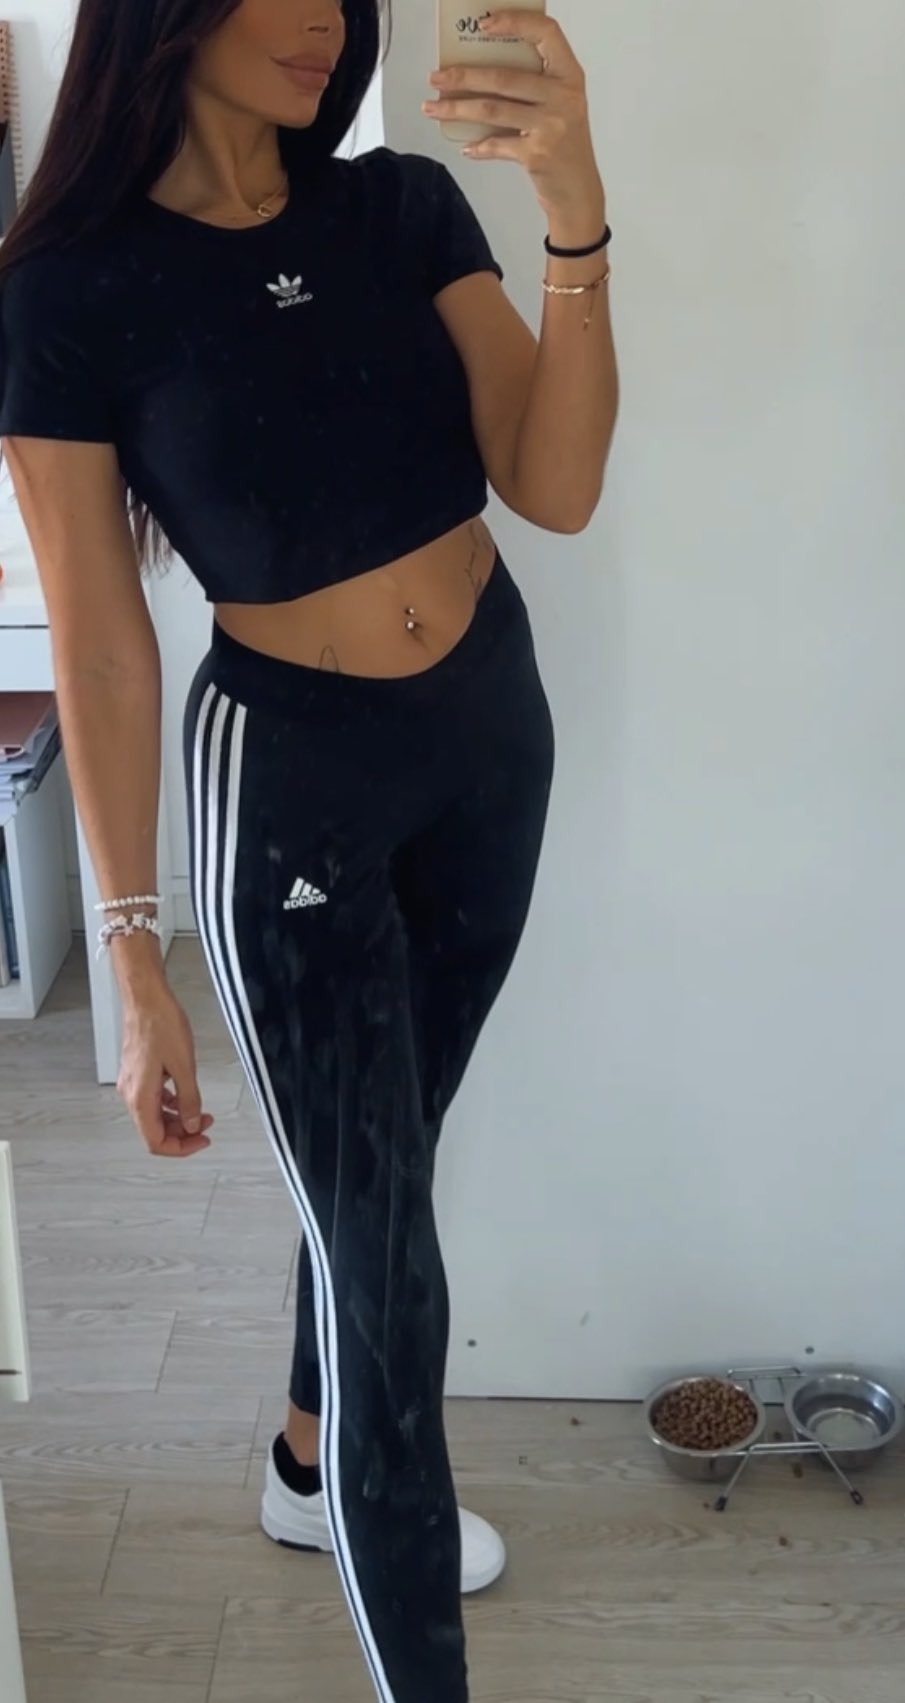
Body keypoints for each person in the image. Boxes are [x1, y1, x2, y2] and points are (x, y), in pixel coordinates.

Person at [0, 2, 618, 1698]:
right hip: (291, 782)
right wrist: (131, 951)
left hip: (487, 736)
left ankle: (299, 1460)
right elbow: (99, 644)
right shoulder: (63, 291)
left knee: (387, 1158)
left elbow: (553, 485)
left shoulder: (399, 205)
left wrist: (574, 208)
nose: (322, 19)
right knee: (387, 1273)